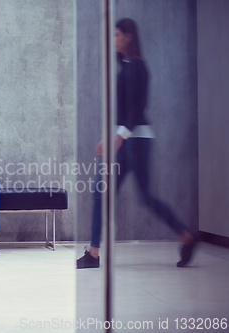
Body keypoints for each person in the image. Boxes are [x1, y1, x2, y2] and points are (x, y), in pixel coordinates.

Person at [77, 18, 196, 269]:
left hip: (137, 140)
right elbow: (122, 111)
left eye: (117, 35)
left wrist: (118, 138)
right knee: (102, 193)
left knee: (146, 197)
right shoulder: (126, 67)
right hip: (124, 139)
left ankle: (186, 236)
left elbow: (137, 109)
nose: (114, 39)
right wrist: (110, 135)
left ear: (129, 36)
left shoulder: (139, 68)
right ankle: (93, 254)